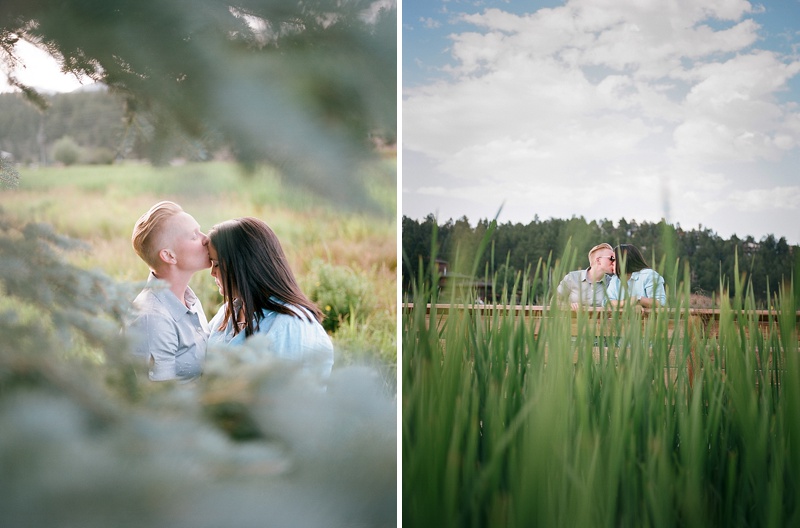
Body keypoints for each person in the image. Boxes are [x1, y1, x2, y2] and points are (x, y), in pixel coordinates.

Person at [206, 217, 334, 380]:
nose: (212, 272)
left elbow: (283, 398)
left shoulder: (291, 325)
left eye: (216, 264)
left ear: (242, 265)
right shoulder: (228, 312)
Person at [127, 201, 211, 381]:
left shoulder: (190, 300)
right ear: (169, 256)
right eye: (194, 236)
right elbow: (159, 401)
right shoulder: (153, 319)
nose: (206, 239)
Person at [556, 243, 617, 309]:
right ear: (598, 260)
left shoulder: (612, 282)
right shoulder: (572, 277)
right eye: (611, 258)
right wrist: (569, 305)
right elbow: (555, 301)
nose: (614, 262)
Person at [607, 244, 666, 308]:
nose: (611, 262)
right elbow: (607, 303)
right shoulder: (615, 279)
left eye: (613, 259)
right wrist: (628, 303)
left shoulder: (649, 275)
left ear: (625, 259)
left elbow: (660, 303)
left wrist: (638, 299)